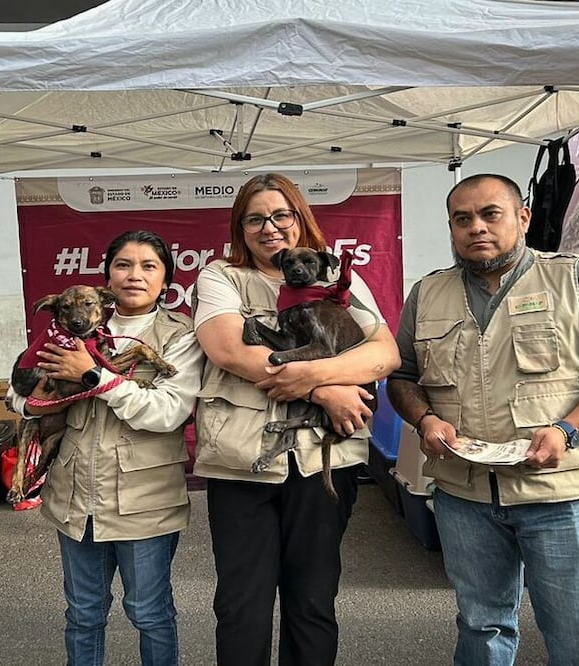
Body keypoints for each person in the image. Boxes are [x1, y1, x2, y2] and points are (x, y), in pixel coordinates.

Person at [386, 173, 579, 665]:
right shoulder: (428, 293)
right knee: (481, 629)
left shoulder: (573, 279)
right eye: (462, 219)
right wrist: (423, 420)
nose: (476, 228)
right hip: (464, 496)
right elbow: (402, 377)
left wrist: (568, 431)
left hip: (557, 493)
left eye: (491, 214)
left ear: (523, 217)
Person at [191, 173, 399, 665]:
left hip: (324, 460)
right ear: (240, 229)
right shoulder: (222, 277)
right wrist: (325, 386)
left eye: (281, 215)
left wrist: (317, 378)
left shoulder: (340, 281)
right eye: (255, 219)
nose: (270, 227)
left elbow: (384, 354)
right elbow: (229, 349)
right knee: (243, 604)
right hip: (242, 460)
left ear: (300, 220)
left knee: (312, 601)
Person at [12, 229, 204, 666]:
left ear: (166, 281)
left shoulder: (180, 336)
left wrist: (93, 376)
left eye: (149, 266)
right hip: (75, 496)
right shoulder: (71, 329)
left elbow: (168, 412)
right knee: (82, 614)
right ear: (106, 279)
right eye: (123, 265)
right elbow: (20, 396)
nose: (135, 275)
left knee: (149, 613)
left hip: (145, 500)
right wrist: (28, 403)